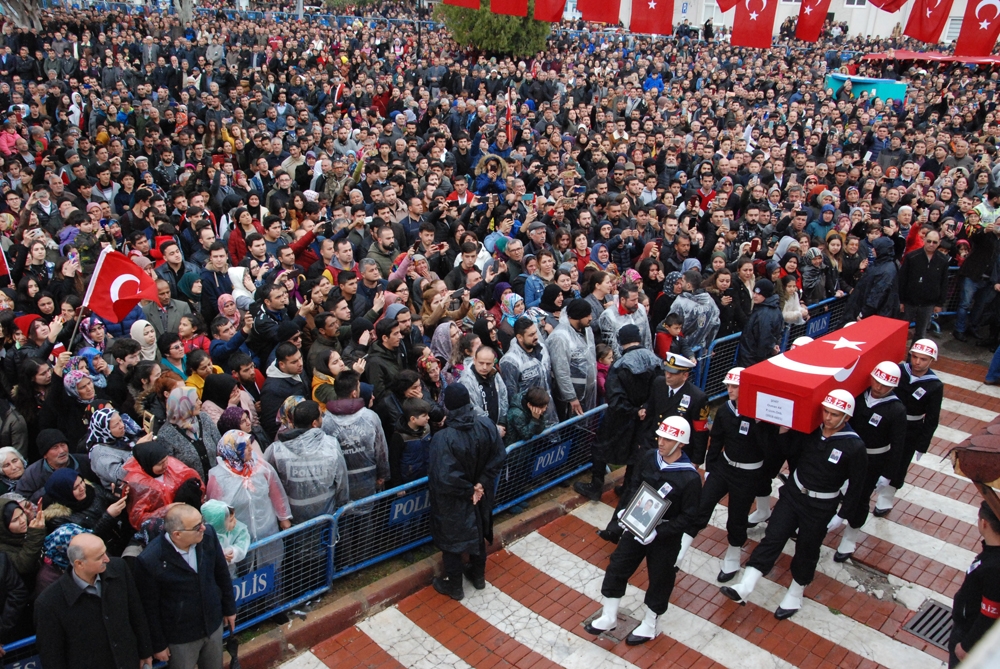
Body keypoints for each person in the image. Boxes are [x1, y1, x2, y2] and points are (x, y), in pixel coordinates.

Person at [721, 389, 867, 620]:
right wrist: (783, 432)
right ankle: (745, 586)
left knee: (807, 549)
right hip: (793, 494)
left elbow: (858, 484)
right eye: (826, 412)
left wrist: (843, 514)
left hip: (821, 506)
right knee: (773, 537)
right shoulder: (810, 431)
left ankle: (796, 593)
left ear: (847, 417)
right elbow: (789, 452)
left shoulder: (854, 446)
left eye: (834, 414)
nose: (828, 418)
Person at [583, 416, 701, 645]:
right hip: (637, 527)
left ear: (681, 444)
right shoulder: (649, 457)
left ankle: (651, 622)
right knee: (618, 565)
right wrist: (626, 510)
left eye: (668, 439)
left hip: (664, 536)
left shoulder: (689, 478)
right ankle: (608, 615)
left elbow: (689, 516)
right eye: (661, 436)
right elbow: (635, 484)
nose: (661, 442)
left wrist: (661, 532)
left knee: (660, 578)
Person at [687, 368, 776, 581]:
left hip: (748, 474)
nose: (730, 390)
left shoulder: (762, 416)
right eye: (728, 386)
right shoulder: (726, 411)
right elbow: (716, 439)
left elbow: (772, 449)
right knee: (702, 505)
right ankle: (679, 553)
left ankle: (733, 557)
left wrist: (759, 424)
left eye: (735, 386)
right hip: (724, 468)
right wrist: (710, 469)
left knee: (737, 517)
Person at [133, 504, 237, 669]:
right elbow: (149, 608)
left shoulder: (208, 535)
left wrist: (230, 609)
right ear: (177, 534)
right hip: (180, 638)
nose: (203, 527)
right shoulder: (150, 560)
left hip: (212, 625)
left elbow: (222, 574)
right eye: (197, 527)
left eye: (202, 522)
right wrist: (158, 644)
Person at [428, 384, 506, 601]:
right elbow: (498, 456)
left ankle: (455, 587)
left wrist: (470, 489)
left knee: (451, 542)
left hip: (454, 500)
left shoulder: (443, 439)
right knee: (478, 531)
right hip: (480, 494)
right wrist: (480, 485)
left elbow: (443, 476)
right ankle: (478, 577)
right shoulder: (486, 424)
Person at [34, 533, 153, 669]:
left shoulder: (119, 568)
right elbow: (52, 656)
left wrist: (145, 651)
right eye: (99, 557)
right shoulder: (49, 603)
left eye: (105, 551)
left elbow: (136, 612)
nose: (107, 559)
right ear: (79, 564)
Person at [829, 362, 906, 562]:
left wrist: (888, 474)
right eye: (877, 381)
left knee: (860, 499)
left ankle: (850, 538)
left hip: (872, 461)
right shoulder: (858, 396)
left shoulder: (896, 410)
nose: (878, 387)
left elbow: (898, 446)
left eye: (884, 385)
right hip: (845, 454)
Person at [575, 324, 662, 502]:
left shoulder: (620, 366)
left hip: (620, 418)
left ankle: (595, 487)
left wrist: (633, 411)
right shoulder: (654, 361)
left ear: (621, 341)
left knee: (600, 448)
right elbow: (659, 389)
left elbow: (614, 398)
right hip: (645, 417)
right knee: (635, 453)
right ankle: (628, 488)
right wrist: (644, 408)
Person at [875, 339, 944, 516]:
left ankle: (886, 497)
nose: (917, 362)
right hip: (887, 423)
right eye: (915, 357)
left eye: (923, 359)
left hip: (910, 428)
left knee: (900, 461)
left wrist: (922, 444)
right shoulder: (899, 371)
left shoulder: (934, 385)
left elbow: (932, 418)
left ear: (931, 361)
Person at [264, 400, 350, 524]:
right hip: (326, 520)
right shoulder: (331, 445)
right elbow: (342, 480)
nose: (323, 418)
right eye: (321, 415)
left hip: (295, 523)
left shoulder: (276, 450)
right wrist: (342, 504)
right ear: (314, 423)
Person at [207, 430, 292, 541]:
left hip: (267, 530)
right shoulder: (218, 476)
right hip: (238, 538)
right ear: (234, 451)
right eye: (246, 447)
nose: (251, 449)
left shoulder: (261, 467)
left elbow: (276, 492)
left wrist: (284, 517)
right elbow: (215, 512)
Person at [948, 501, 1000, 666]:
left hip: (969, 633)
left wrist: (966, 646)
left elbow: (989, 614)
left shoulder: (993, 568)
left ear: (984, 523)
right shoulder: (991, 556)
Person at [547, 299, 597, 421]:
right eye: (587, 315)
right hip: (571, 398)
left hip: (588, 391)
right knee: (572, 429)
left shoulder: (587, 329)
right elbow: (561, 371)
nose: (590, 318)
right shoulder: (560, 337)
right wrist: (571, 397)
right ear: (577, 316)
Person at [158, 386, 222, 482]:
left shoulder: (204, 418)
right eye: (196, 400)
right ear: (184, 405)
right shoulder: (165, 434)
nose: (200, 403)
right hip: (194, 490)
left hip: (217, 483)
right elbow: (171, 471)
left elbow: (220, 446)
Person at [898, 229, 950, 342]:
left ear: (939, 242)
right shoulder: (912, 256)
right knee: (901, 331)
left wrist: (940, 303)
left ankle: (913, 359)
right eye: (929, 241)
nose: (931, 244)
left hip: (928, 304)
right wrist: (901, 301)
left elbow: (944, 283)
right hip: (909, 302)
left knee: (921, 334)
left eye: (935, 242)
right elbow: (902, 280)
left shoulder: (943, 260)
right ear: (924, 240)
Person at [260, 342, 310, 441]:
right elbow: (271, 425)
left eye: (300, 358)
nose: (300, 364)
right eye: (294, 362)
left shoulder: (297, 370)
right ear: (282, 365)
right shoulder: (272, 389)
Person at [736, 279, 785, 368]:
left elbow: (764, 338)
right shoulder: (773, 307)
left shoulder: (764, 314)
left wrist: (762, 357)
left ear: (766, 295)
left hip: (752, 360)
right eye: (754, 292)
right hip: (755, 357)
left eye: (758, 294)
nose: (754, 296)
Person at [597, 282, 652, 359]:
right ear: (622, 299)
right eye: (633, 300)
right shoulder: (608, 316)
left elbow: (647, 338)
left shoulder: (641, 308)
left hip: (642, 358)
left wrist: (649, 357)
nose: (636, 302)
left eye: (637, 299)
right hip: (623, 362)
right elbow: (612, 348)